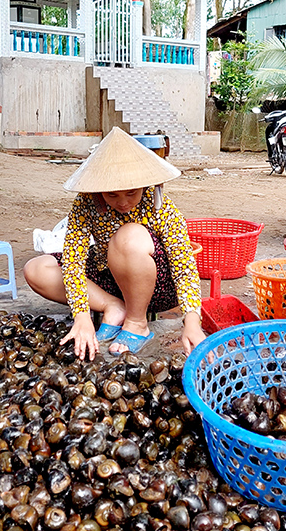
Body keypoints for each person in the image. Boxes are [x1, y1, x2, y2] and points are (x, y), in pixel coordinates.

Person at [24, 127, 205, 359]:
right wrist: (82, 316)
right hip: (108, 275)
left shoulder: (159, 204)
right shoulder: (87, 203)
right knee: (36, 269)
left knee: (127, 237)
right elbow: (73, 260)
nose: (122, 203)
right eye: (112, 195)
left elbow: (184, 267)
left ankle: (137, 322)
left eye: (131, 193)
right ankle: (114, 307)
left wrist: (191, 321)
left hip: (156, 288)